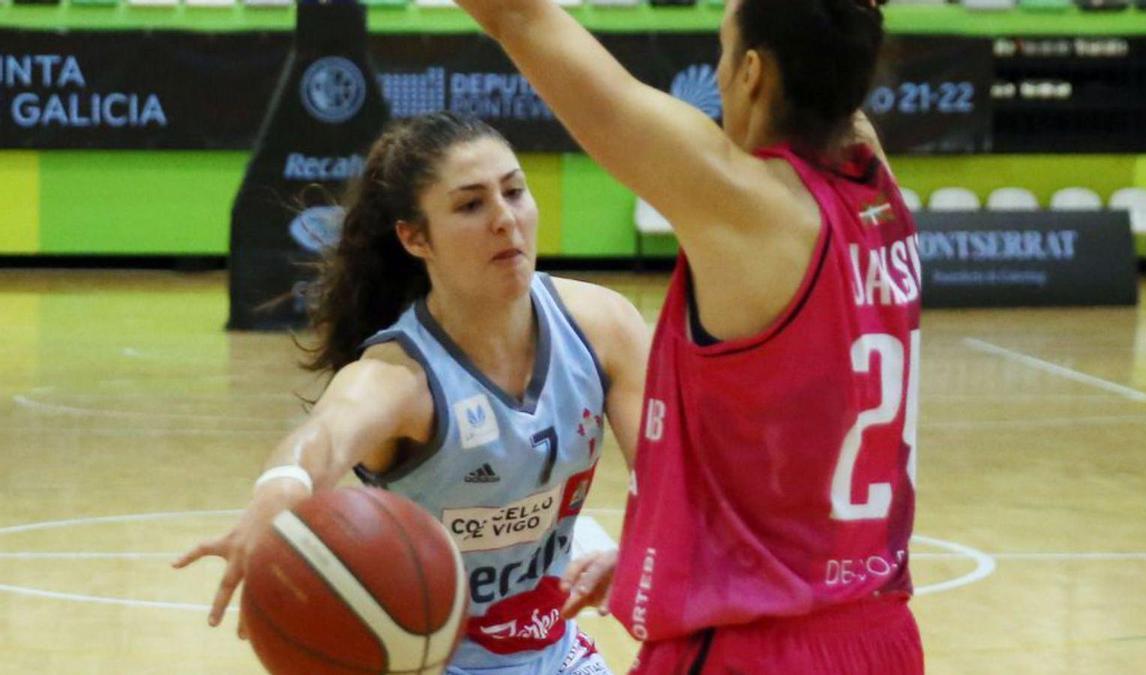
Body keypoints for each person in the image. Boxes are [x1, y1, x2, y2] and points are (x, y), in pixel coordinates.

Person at [454, 0, 924, 672]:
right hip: (880, 635)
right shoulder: (881, 195)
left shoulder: (752, 209)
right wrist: (682, 551)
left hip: (755, 649)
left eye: (724, 53)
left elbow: (520, 17)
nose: (722, 71)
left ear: (753, 73)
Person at [173, 112, 650, 675]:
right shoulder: (400, 377)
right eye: (471, 205)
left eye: (515, 192)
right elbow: (322, 440)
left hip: (556, 654)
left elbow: (677, 475)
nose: (505, 219)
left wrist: (642, 550)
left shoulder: (603, 326)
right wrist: (279, 491)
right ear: (415, 237)